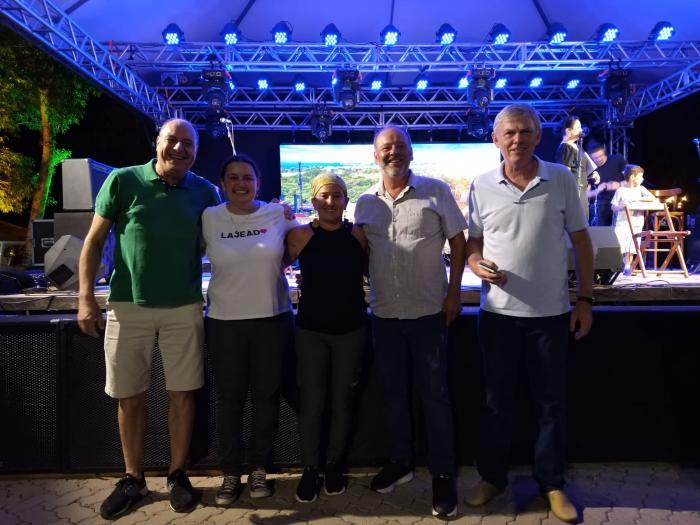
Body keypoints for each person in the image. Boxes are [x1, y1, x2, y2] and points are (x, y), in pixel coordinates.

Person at [77, 118, 221, 519]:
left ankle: (177, 474)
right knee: (130, 394)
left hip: (185, 307)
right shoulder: (123, 181)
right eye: (172, 140)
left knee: (183, 393)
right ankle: (133, 479)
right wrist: (85, 297)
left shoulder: (205, 192)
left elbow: (225, 237)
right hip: (128, 306)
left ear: (196, 152)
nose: (179, 149)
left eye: (188, 144)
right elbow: (93, 241)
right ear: (157, 143)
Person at [464, 103, 594, 524]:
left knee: (550, 405)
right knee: (495, 403)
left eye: (525, 131)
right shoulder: (481, 185)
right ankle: (492, 479)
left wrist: (585, 300)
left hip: (550, 316)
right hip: (497, 315)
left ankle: (552, 484)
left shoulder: (559, 179)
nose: (517, 139)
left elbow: (582, 242)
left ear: (538, 137)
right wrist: (475, 264)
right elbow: (474, 244)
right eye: (509, 132)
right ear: (495, 139)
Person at [354, 125, 467, 520]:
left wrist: (454, 293)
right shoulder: (364, 202)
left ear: (411, 152)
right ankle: (401, 463)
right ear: (376, 156)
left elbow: (458, 242)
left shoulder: (436, 190)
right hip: (385, 315)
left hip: (428, 313)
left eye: (400, 145)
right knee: (394, 395)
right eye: (386, 147)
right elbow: (355, 250)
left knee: (435, 397)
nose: (394, 152)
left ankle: (443, 475)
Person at [202, 154, 298, 506]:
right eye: (233, 177)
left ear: (258, 183)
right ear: (222, 184)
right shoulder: (210, 217)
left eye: (247, 177)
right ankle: (230, 472)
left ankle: (259, 467)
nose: (240, 183)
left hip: (272, 319)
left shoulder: (277, 214)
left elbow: (305, 239)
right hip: (224, 322)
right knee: (229, 400)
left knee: (266, 398)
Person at [285, 173, 368, 503]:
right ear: (314, 200)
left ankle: (334, 466)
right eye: (324, 196)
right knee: (312, 403)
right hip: (311, 331)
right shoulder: (300, 235)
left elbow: (374, 270)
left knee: (342, 402)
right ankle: (310, 468)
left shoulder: (358, 235)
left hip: (351, 330)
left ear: (346, 200)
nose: (331, 202)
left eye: (337, 196)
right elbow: (270, 265)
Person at [610, 164, 657, 273]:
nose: (642, 179)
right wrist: (621, 207)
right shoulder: (621, 190)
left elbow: (652, 198)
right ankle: (617, 266)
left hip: (636, 222)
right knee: (620, 244)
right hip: (622, 222)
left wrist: (638, 199)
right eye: (640, 176)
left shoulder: (641, 189)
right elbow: (613, 207)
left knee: (631, 245)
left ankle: (628, 265)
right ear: (632, 177)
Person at [555, 116, 599, 223]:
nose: (581, 130)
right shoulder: (566, 147)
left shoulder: (577, 147)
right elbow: (564, 174)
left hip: (582, 193)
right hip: (573, 196)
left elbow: (584, 169)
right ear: (568, 131)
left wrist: (593, 175)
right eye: (578, 127)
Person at [587, 141, 627, 226]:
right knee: (600, 221)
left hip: (620, 200)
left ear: (604, 152)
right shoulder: (590, 168)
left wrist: (619, 185)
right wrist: (598, 190)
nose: (599, 159)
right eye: (595, 158)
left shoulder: (617, 160)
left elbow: (632, 181)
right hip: (602, 202)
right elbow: (586, 194)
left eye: (601, 156)